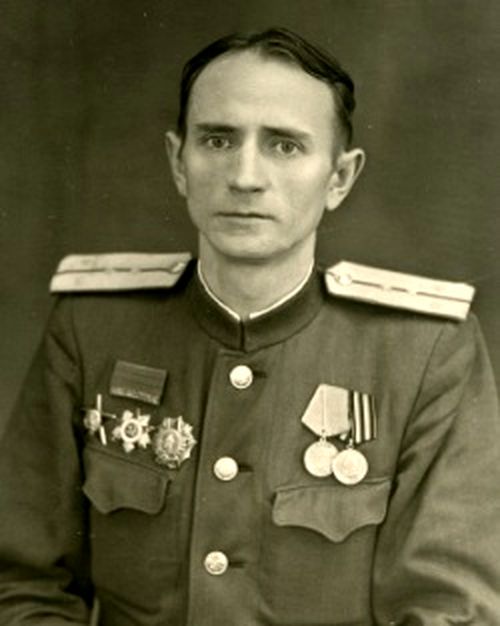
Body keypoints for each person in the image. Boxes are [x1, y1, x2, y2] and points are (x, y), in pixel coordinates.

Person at [0, 26, 499, 626]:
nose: (244, 176)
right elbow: (24, 584)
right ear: (178, 163)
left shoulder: (424, 351)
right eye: (217, 139)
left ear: (339, 177)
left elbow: (452, 609)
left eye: (284, 146)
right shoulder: (93, 327)